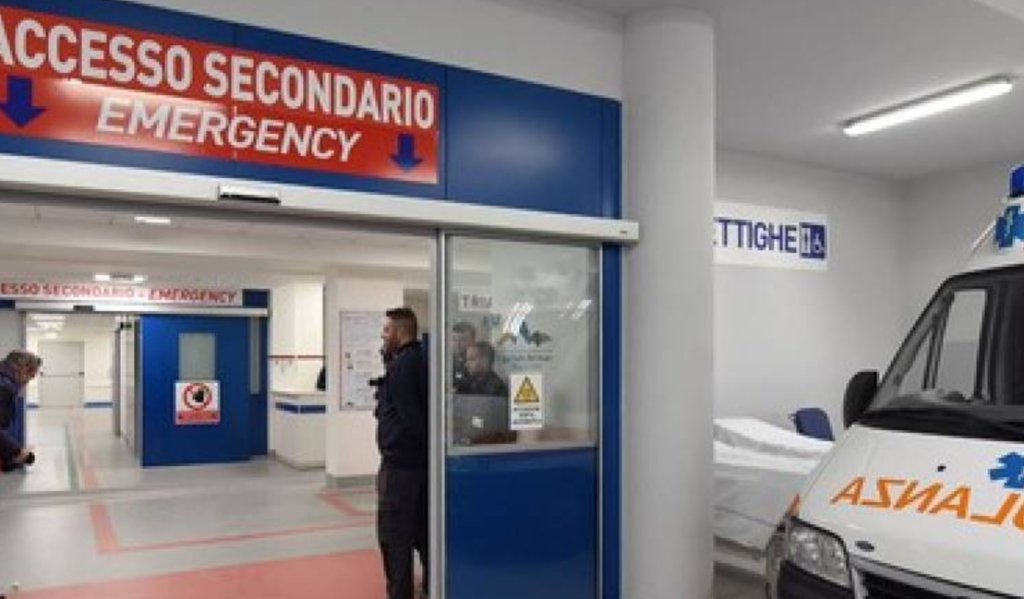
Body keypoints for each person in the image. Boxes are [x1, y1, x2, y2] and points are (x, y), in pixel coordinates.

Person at [375, 307, 429, 599]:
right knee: (422, 532)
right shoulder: (420, 360)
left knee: (394, 537)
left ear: (399, 331)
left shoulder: (404, 366)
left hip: (401, 470)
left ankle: (400, 594)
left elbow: (413, 418)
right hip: (419, 466)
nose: (383, 335)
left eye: (386, 330)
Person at [0, 350, 41, 473]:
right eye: (30, 376)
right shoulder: (4, 387)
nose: (28, 381)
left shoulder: (5, 383)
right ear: (22, 369)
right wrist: (18, 452)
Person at [451, 321, 476, 390]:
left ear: (473, 341)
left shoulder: (477, 363)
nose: (457, 344)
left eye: (462, 340)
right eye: (454, 339)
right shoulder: (444, 361)